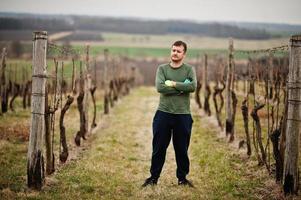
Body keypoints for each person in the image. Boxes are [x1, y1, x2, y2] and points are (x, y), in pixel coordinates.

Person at [142, 41, 196, 187]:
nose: (175, 53)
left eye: (178, 51)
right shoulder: (162, 69)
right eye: (173, 50)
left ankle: (182, 179)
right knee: (158, 147)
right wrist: (181, 88)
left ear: (184, 54)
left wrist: (172, 84)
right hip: (163, 113)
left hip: (183, 114)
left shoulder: (189, 70)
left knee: (182, 149)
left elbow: (192, 86)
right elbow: (160, 88)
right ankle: (153, 178)